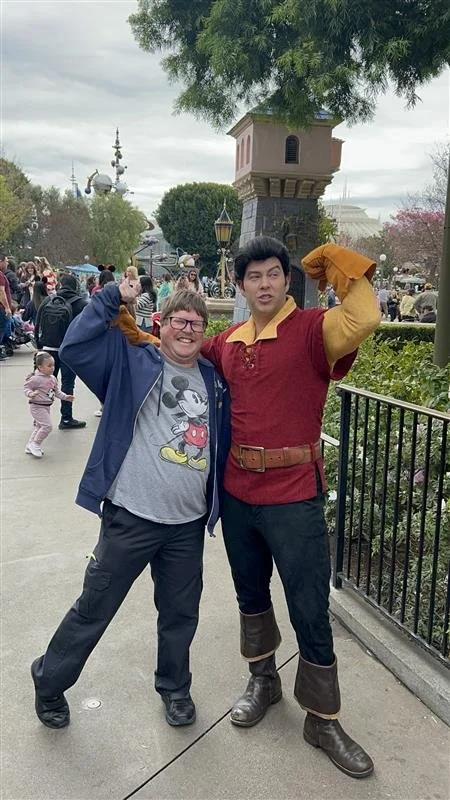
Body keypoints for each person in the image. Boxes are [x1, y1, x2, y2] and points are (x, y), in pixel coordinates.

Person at [200, 237, 380, 780]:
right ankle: (264, 679)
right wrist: (131, 326)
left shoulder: (312, 330)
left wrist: (338, 266)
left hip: (294, 493)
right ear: (240, 285)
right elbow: (181, 349)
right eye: (253, 276)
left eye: (273, 274)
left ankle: (322, 719)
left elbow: (366, 315)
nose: (264, 283)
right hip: (237, 494)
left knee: (308, 605)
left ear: (286, 280)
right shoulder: (229, 340)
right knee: (250, 593)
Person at [30, 285, 230, 730]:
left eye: (197, 323)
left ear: (203, 331)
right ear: (163, 322)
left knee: (180, 614)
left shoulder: (214, 380)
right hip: (131, 516)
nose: (188, 329)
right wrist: (108, 298)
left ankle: (175, 688)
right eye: (179, 320)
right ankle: (49, 681)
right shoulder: (133, 361)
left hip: (186, 525)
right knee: (95, 606)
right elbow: (75, 347)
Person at [35, 272, 88, 430]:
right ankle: (66, 418)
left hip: (47, 349)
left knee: (43, 384)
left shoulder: (48, 300)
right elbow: (86, 329)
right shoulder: (81, 303)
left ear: (60, 285)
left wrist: (39, 346)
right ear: (75, 287)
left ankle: (39, 418)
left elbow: (38, 325)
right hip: (68, 350)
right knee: (67, 384)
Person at [23, 351, 74, 458]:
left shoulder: (53, 379)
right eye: (49, 366)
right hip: (36, 406)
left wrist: (66, 397)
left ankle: (30, 445)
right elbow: (26, 388)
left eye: (53, 365)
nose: (52, 368)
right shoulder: (35, 379)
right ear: (40, 367)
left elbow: (56, 392)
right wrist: (31, 393)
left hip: (46, 406)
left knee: (39, 426)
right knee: (47, 426)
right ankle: (35, 444)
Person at [0, 253, 13, 361]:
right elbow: (1, 291)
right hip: (1, 308)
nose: (7, 263)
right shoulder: (0, 275)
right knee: (1, 329)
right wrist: (7, 307)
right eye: (6, 261)